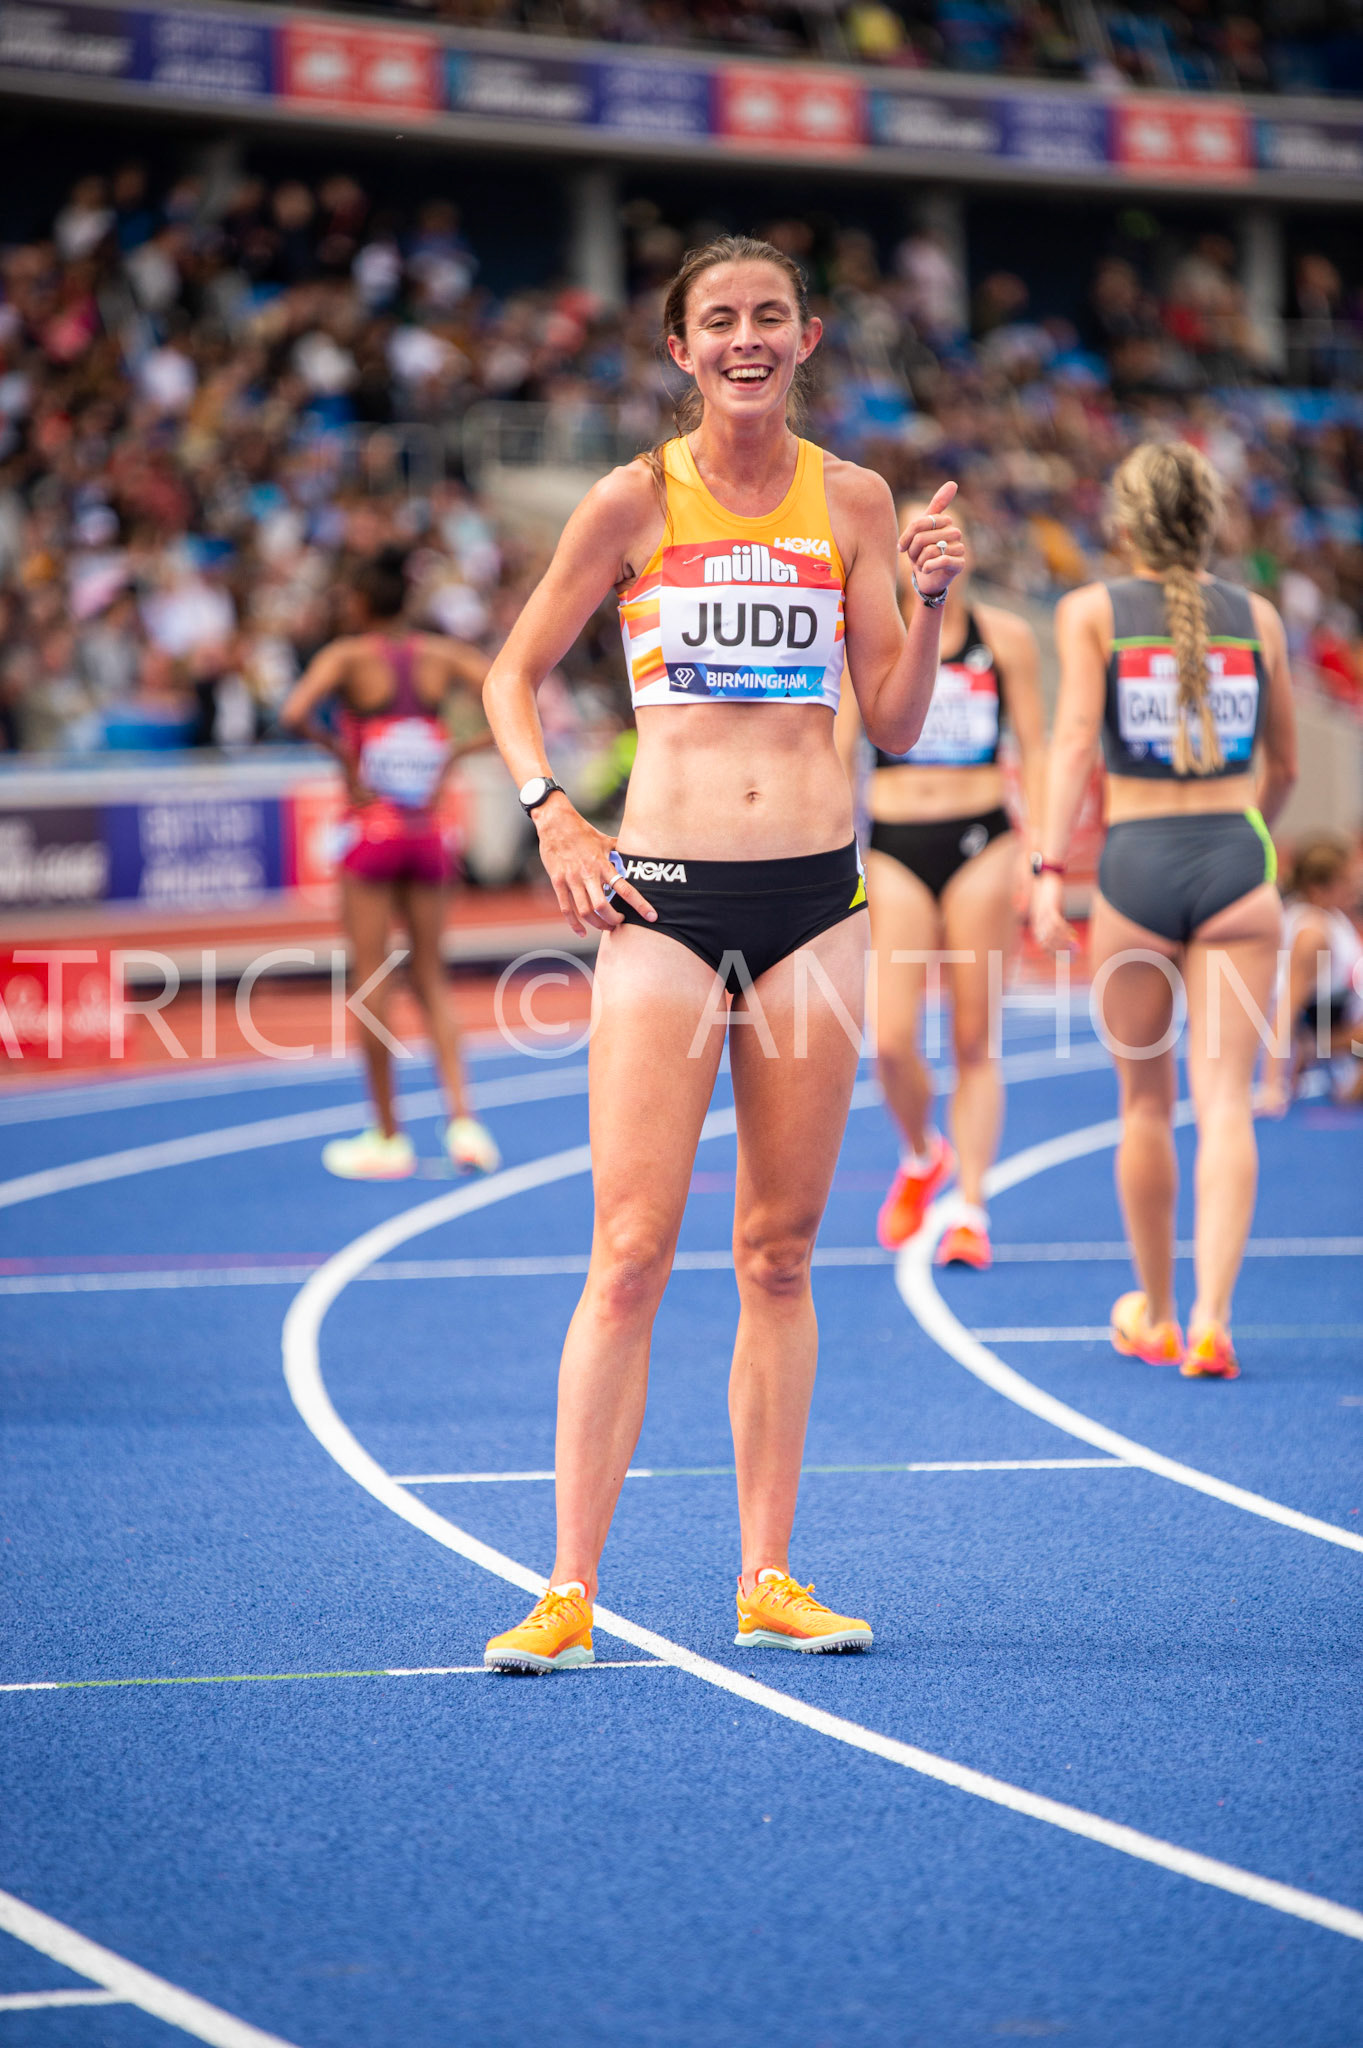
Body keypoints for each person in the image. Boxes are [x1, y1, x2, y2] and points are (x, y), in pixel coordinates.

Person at [478, 234, 965, 1672]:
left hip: (818, 899)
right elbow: (509, 675)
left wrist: (929, 601)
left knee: (776, 1251)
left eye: (768, 317)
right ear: (678, 349)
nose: (744, 338)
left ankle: (766, 1574)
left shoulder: (856, 501)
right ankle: (566, 1587)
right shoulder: (633, 499)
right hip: (663, 902)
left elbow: (890, 721)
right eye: (717, 321)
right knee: (628, 1252)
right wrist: (550, 810)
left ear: (805, 337)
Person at [1032, 441, 1297, 1381]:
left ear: (1124, 523)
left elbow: (1070, 747)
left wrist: (1044, 871)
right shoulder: (1258, 617)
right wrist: (1241, 844)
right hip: (1235, 863)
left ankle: (1153, 1311)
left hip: (1134, 873)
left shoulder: (1089, 612)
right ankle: (1213, 1320)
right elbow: (1288, 767)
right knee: (1223, 1100)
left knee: (1143, 1105)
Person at [837, 500, 1046, 1268]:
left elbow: (1038, 745)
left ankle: (970, 1207)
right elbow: (834, 752)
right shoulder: (866, 635)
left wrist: (1041, 851)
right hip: (892, 842)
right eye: (914, 541)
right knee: (890, 1039)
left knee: (970, 1038)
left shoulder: (1005, 640)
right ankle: (924, 1154)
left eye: (945, 540)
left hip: (981, 838)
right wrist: (834, 858)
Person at [280, 547, 501, 1181]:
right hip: (427, 830)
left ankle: (387, 1135)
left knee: (371, 983)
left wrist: (344, 761)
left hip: (372, 830)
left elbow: (295, 713)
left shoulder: (346, 657)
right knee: (432, 977)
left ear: (357, 603)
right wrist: (456, 754)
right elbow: (516, 690)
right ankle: (464, 1122)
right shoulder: (440, 657)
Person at [1263, 834, 1363, 1110]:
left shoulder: (1330, 917)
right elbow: (1287, 1007)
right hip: (1329, 1034)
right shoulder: (1313, 933)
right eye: (1348, 883)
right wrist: (1272, 1085)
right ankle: (1316, 1053)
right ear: (1319, 888)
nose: (1356, 890)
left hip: (1338, 1027)